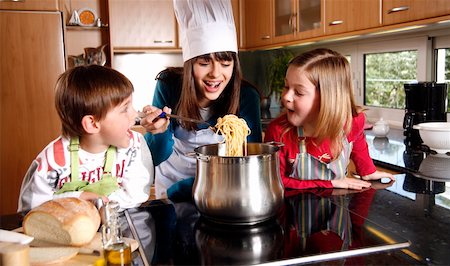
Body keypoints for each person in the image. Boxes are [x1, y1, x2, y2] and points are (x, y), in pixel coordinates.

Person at [140, 0, 262, 200]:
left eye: (225, 63)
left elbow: (252, 161)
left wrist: (200, 188)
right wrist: (158, 133)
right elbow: (155, 156)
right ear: (190, 64)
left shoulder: (247, 96)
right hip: (171, 193)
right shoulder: (169, 85)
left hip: (224, 193)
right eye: (204, 63)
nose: (216, 74)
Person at [18, 65, 153, 212]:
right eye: (125, 109)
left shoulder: (134, 146)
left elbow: (138, 193)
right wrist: (76, 198)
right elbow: (31, 209)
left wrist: (100, 204)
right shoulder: (52, 161)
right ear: (92, 123)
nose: (136, 115)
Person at [264, 48, 395, 190]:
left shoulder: (353, 121)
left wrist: (368, 171)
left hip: (337, 207)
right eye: (286, 86)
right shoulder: (279, 132)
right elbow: (276, 181)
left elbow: (358, 140)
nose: (286, 97)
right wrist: (330, 184)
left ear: (328, 99)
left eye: (299, 92)